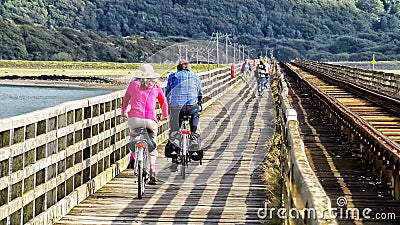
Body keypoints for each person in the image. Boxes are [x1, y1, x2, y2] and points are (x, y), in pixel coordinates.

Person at [121, 63, 168, 185]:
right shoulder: (155, 87)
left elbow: (125, 100)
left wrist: (123, 111)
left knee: (133, 136)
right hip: (150, 121)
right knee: (152, 145)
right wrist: (164, 116)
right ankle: (152, 169)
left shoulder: (133, 85)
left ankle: (132, 157)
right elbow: (164, 104)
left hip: (134, 119)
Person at [165, 60, 203, 161]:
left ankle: (174, 143)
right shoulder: (195, 77)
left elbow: (167, 92)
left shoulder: (172, 76)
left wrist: (169, 105)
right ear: (188, 68)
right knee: (195, 116)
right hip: (191, 107)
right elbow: (200, 93)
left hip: (177, 108)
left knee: (174, 127)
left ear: (178, 68)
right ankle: (193, 137)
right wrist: (199, 102)